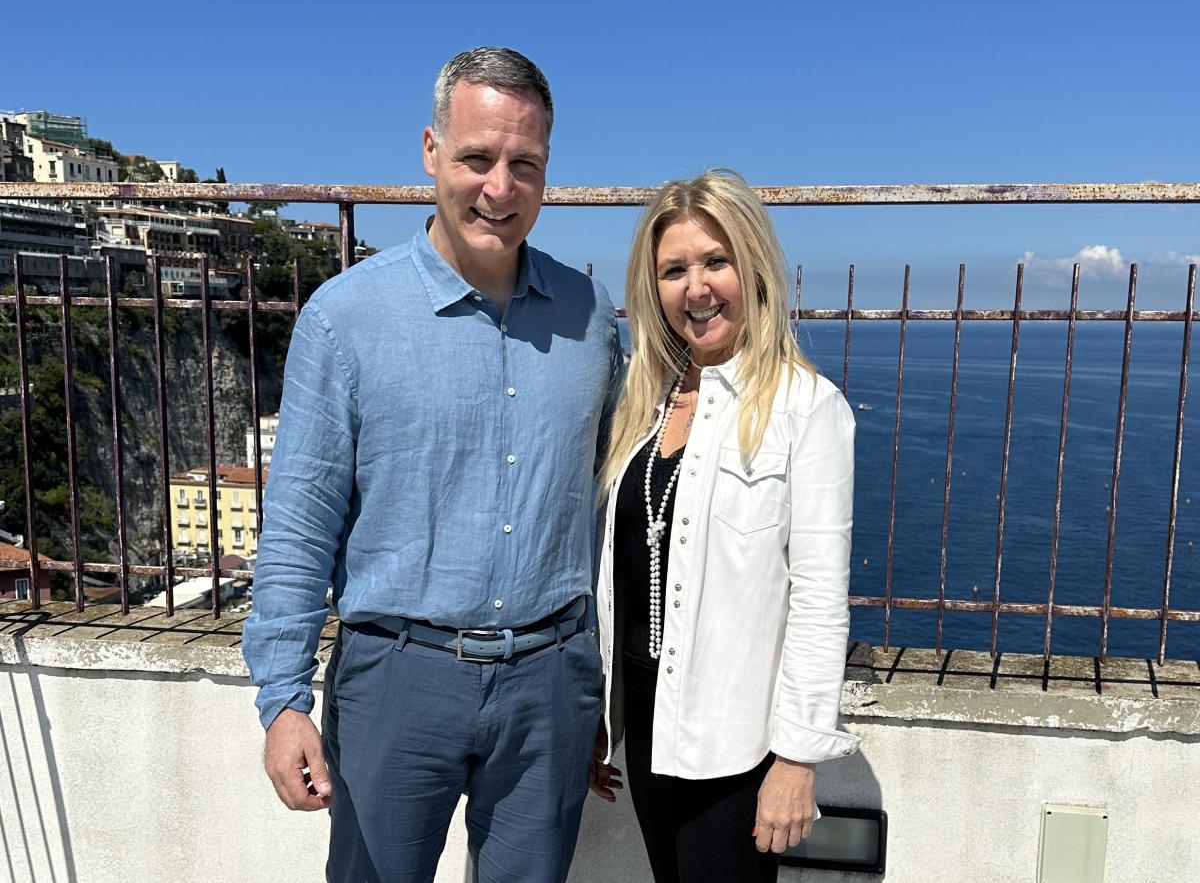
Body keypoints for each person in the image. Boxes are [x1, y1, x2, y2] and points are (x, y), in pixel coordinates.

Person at [242, 47, 624, 883]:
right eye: (477, 158)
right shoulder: (346, 318)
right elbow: (300, 526)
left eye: (525, 163)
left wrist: (600, 683)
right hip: (395, 679)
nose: (500, 187)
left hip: (551, 680)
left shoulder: (593, 318)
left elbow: (609, 499)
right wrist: (283, 701)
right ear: (430, 151)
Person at [589, 169, 860, 882]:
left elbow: (819, 597)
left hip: (737, 753)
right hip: (645, 732)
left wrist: (797, 760)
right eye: (674, 269)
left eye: (716, 261)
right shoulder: (640, 400)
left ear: (754, 266)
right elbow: (620, 575)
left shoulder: (808, 408)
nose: (696, 288)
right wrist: (601, 711)